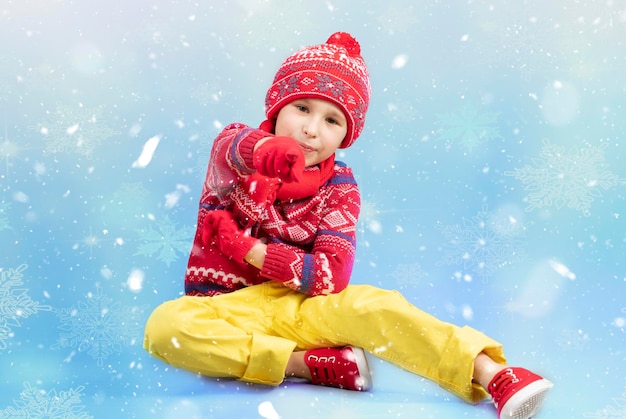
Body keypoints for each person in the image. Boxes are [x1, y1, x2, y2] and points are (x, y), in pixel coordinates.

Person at [143, 32, 553, 418]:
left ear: (345, 136)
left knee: (377, 305)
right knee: (166, 327)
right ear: (277, 107)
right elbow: (237, 149)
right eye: (301, 109)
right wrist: (269, 151)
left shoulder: (341, 185)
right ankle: (303, 364)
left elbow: (332, 274)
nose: (310, 130)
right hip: (223, 310)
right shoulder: (234, 150)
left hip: (300, 307)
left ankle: (494, 375)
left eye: (331, 121)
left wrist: (251, 251)